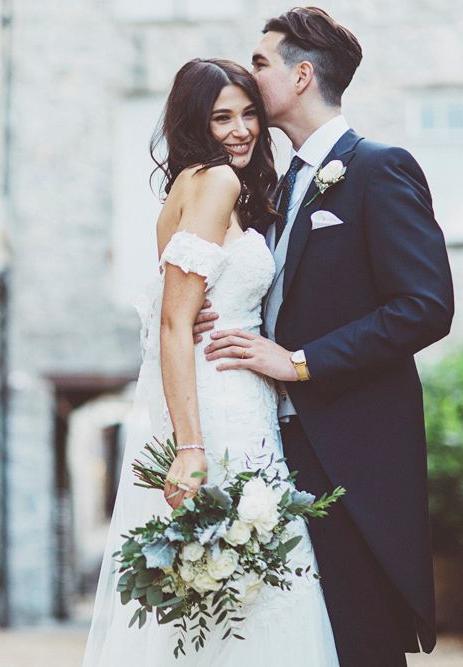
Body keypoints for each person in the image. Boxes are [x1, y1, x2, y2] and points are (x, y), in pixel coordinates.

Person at [195, 8, 454, 666]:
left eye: (259, 63)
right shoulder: (277, 187)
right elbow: (279, 297)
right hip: (269, 444)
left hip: (347, 453)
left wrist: (301, 362)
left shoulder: (376, 168)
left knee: (359, 639)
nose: (248, 76)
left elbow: (424, 306)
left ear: (301, 74)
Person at [82, 58, 339, 666]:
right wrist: (191, 447)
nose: (241, 129)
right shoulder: (216, 181)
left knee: (227, 592)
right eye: (222, 117)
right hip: (220, 413)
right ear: (194, 123)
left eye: (249, 113)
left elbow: (169, 312)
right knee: (249, 589)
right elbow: (174, 322)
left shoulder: (191, 188)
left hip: (233, 397)